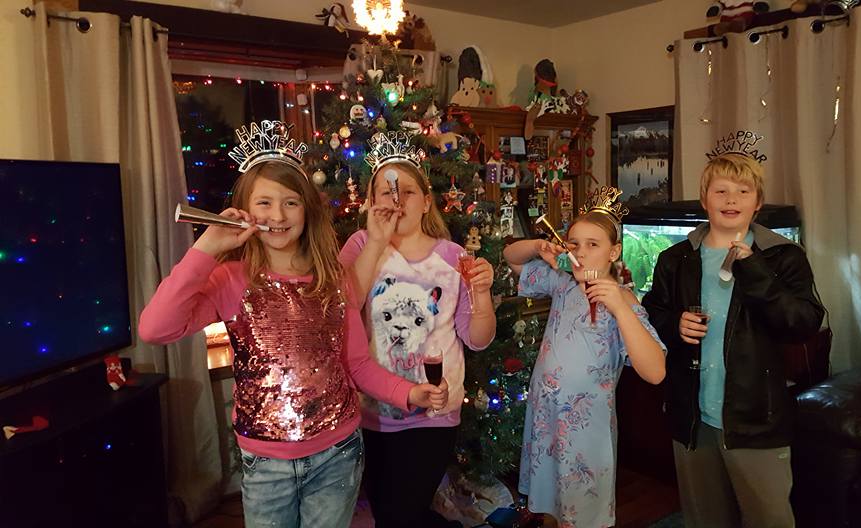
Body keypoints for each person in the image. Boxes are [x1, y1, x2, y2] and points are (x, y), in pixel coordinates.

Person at [139, 121, 446, 528]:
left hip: (337, 456)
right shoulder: (231, 280)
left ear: (307, 210)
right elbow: (155, 329)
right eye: (264, 203)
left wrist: (409, 392)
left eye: (290, 202)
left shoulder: (333, 279)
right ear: (244, 210)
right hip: (266, 465)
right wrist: (206, 247)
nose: (278, 215)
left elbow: (356, 364)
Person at [641, 146, 825, 528]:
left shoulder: (783, 257)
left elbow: (803, 322)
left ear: (757, 203)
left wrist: (753, 268)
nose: (731, 200)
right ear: (704, 199)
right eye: (721, 190)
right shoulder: (675, 259)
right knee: (705, 519)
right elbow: (652, 311)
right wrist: (674, 323)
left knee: (770, 519)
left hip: (758, 421)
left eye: (743, 191)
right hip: (692, 419)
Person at [338, 131, 496, 528]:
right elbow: (341, 307)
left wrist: (482, 293)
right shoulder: (359, 246)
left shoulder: (452, 257)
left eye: (407, 191)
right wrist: (376, 242)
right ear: (371, 202)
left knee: (401, 514)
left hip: (434, 414)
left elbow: (477, 339)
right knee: (389, 511)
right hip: (374, 412)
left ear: (426, 201)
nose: (397, 201)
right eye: (386, 192)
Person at [503, 186, 666, 528]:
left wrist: (620, 307)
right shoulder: (561, 283)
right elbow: (512, 258)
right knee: (549, 504)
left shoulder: (623, 303)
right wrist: (537, 246)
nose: (581, 252)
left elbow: (655, 372)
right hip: (546, 419)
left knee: (582, 514)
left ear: (613, 252)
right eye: (574, 244)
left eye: (593, 245)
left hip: (585, 434)